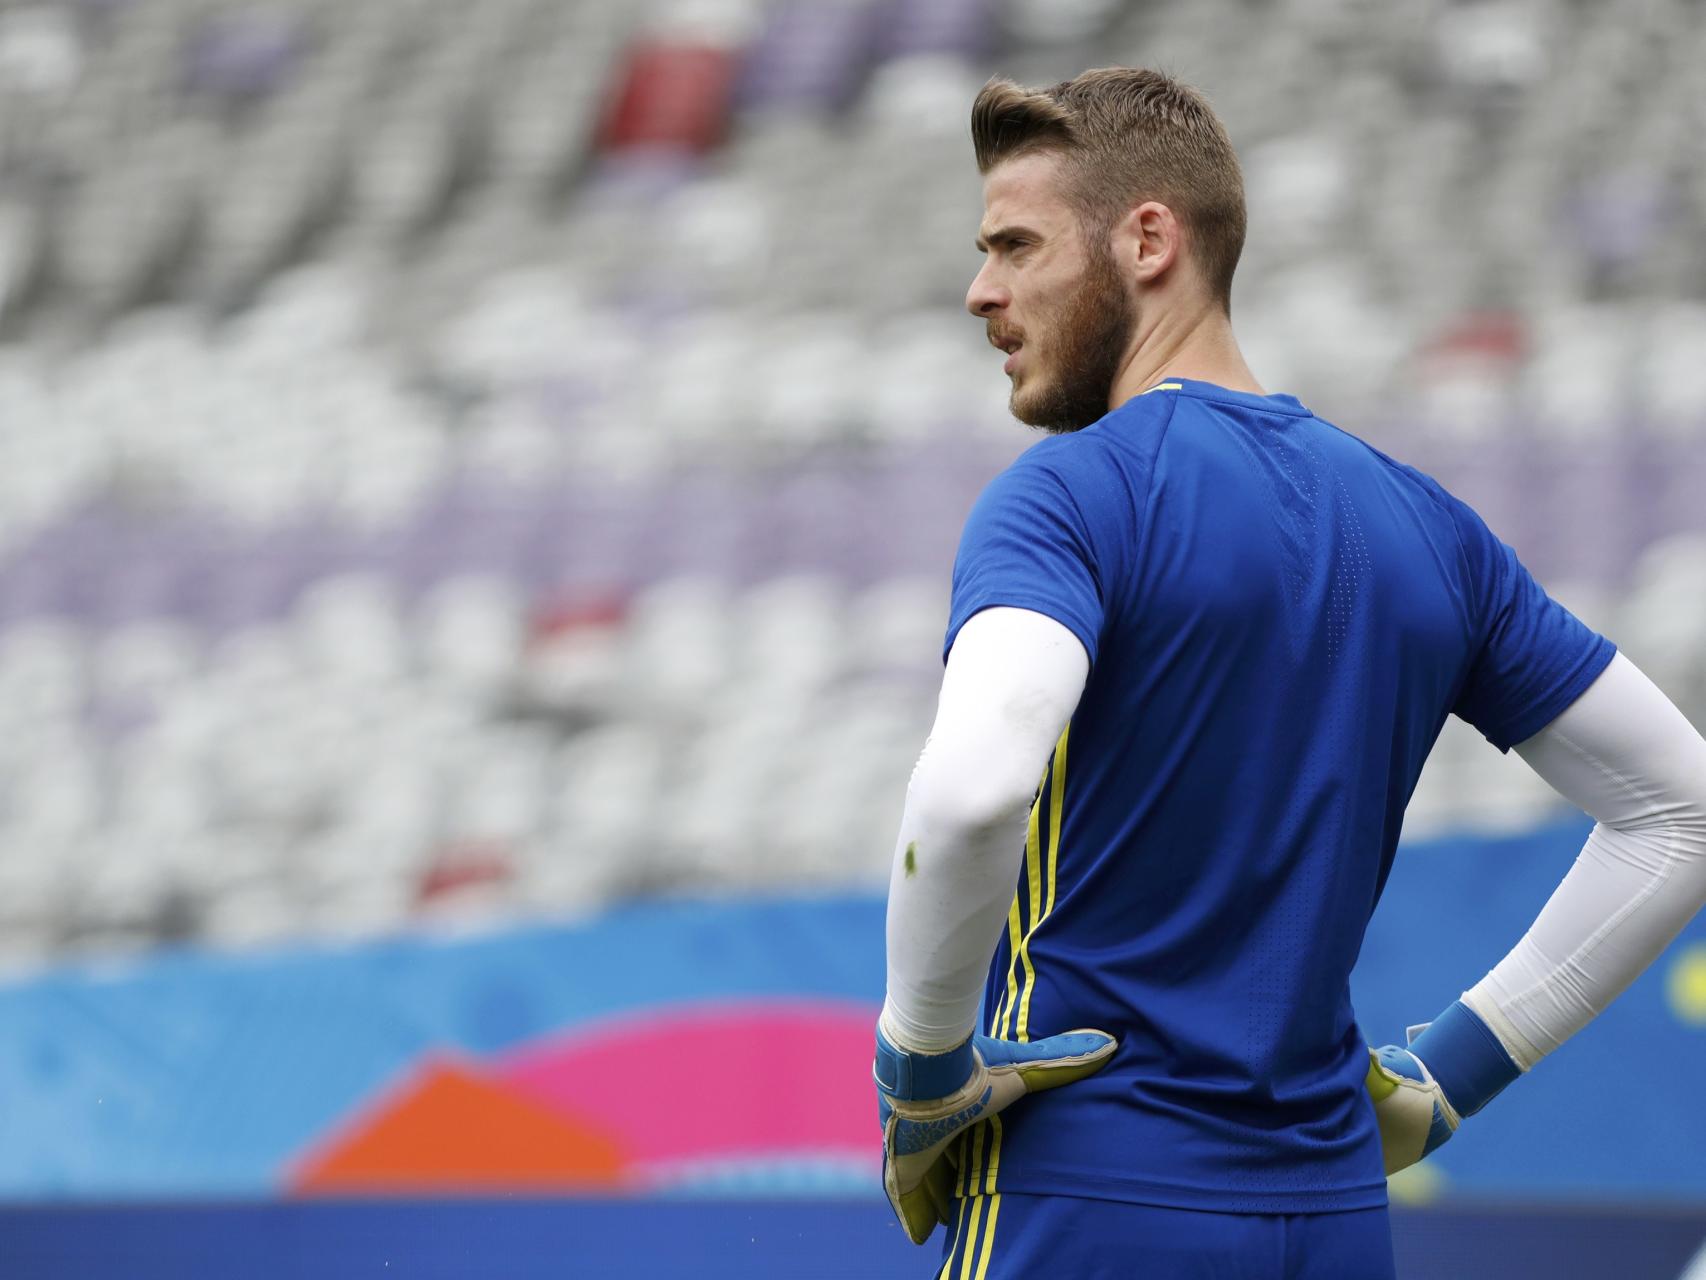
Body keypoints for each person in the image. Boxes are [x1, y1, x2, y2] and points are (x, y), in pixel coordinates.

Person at [871, 68, 1706, 1279]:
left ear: (1146, 237)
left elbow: (966, 795)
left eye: (1013, 244)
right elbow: (1677, 807)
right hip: (1326, 1215)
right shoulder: (1429, 527)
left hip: (1087, 1193)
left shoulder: (1066, 495)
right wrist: (1448, 1076)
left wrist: (924, 1067)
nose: (979, 291)